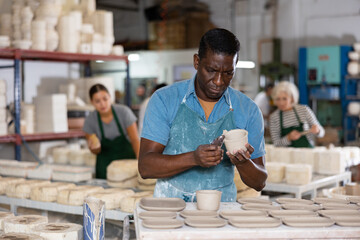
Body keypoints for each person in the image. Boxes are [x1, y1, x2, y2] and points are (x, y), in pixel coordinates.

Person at [138, 28, 267, 202]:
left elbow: (259, 182)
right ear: (197, 62)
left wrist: (243, 162)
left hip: (221, 212)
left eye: (228, 73)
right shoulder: (165, 99)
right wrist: (193, 158)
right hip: (169, 210)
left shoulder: (248, 110)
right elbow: (146, 167)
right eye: (211, 70)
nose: (219, 81)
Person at [83, 84, 140, 179]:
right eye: (97, 101)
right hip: (105, 169)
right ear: (91, 102)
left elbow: (135, 140)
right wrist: (94, 146)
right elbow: (95, 150)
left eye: (105, 99)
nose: (102, 104)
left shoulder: (124, 112)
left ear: (110, 97)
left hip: (128, 167)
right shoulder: (90, 120)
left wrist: (141, 162)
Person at [269, 81, 325, 148]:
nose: (281, 103)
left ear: (292, 98)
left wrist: (317, 130)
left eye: (284, 99)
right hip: (286, 156)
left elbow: (322, 133)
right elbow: (276, 144)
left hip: (308, 153)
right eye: (278, 99)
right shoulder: (274, 117)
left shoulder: (304, 110)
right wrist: (288, 138)